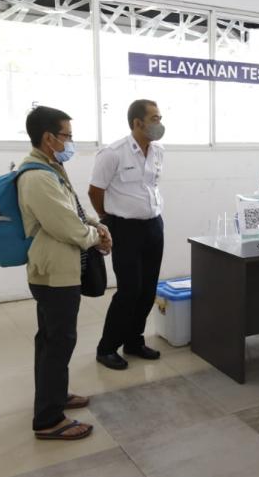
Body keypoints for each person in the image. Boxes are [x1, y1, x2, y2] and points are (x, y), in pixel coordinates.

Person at [17, 106, 112, 440]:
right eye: (67, 136)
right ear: (49, 138)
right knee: (58, 342)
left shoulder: (50, 167)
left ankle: (54, 397)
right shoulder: (37, 177)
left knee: (51, 339)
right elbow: (66, 228)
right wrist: (95, 237)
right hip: (53, 273)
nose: (71, 142)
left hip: (60, 269)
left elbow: (75, 213)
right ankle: (48, 420)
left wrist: (97, 226)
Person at [89, 99, 166, 370]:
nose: (160, 122)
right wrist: (106, 219)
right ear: (137, 123)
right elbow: (95, 191)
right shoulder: (113, 153)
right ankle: (107, 347)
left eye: (159, 117)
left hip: (154, 225)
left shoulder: (158, 150)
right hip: (125, 228)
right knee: (129, 290)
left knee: (148, 290)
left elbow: (151, 187)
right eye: (154, 118)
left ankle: (134, 341)